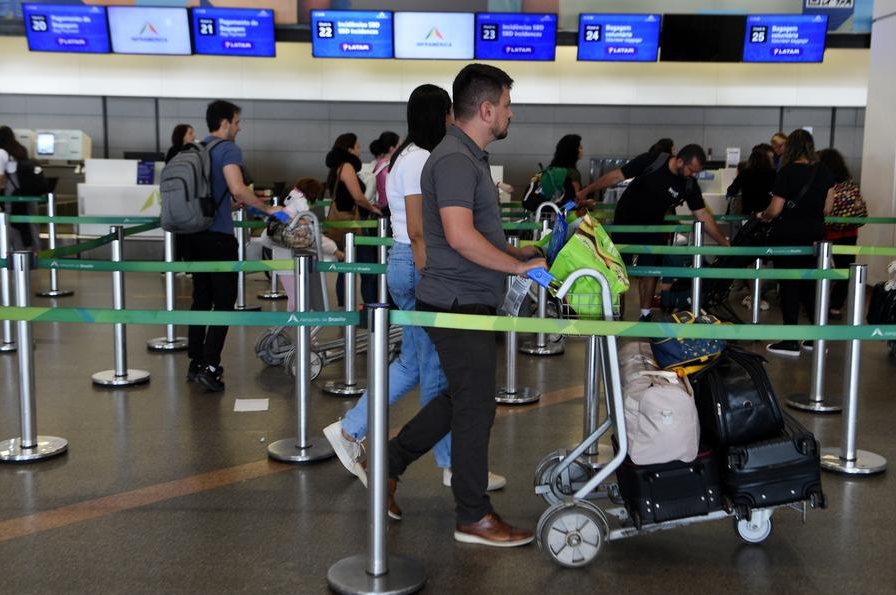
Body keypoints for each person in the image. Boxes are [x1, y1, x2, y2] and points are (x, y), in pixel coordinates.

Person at [385, 64, 545, 547]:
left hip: (466, 295)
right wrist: (516, 269)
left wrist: (517, 252)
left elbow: (473, 231)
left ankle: (390, 463)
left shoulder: (467, 156)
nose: (511, 115)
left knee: (462, 398)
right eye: (508, 105)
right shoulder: (455, 159)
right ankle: (472, 515)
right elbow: (457, 236)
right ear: (487, 108)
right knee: (475, 406)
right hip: (457, 301)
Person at [323, 84, 506, 493]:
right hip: (417, 263)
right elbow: (420, 230)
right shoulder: (423, 157)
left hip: (404, 260)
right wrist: (433, 282)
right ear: (439, 114)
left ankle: (353, 429)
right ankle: (449, 465)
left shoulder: (403, 155)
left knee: (413, 364)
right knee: (435, 371)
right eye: (447, 113)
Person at [183, 100, 281, 392]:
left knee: (201, 299)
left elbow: (218, 192)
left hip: (193, 235)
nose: (239, 127)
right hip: (217, 237)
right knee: (224, 301)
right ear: (224, 123)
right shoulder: (228, 149)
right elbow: (238, 188)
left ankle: (195, 363)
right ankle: (211, 367)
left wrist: (230, 201)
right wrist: (268, 210)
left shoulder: (198, 149)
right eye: (237, 122)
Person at [577, 144, 731, 321]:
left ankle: (645, 314)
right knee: (618, 271)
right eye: (691, 170)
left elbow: (702, 214)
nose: (694, 175)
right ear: (680, 161)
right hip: (625, 223)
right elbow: (616, 176)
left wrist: (722, 241)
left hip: (653, 228)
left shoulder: (689, 184)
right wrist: (585, 192)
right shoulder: (653, 161)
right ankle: (616, 314)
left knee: (649, 272)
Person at [758, 129, 834, 356]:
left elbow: (775, 209)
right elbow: (827, 208)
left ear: (791, 147)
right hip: (815, 235)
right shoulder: (824, 171)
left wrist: (764, 215)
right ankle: (815, 339)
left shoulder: (787, 172)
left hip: (789, 236)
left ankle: (790, 342)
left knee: (790, 286)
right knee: (812, 285)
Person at [261, 177, 342, 311]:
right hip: (288, 262)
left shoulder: (287, 207)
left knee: (296, 300)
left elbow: (266, 238)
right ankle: (280, 330)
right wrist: (335, 250)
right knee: (296, 301)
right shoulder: (300, 216)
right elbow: (315, 237)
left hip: (283, 260)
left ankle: (284, 330)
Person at [324, 133, 382, 307]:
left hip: (341, 223)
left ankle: (345, 306)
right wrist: (372, 208)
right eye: (357, 146)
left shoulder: (335, 167)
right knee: (368, 269)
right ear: (349, 149)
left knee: (345, 267)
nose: (359, 149)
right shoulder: (347, 166)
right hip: (352, 224)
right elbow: (357, 196)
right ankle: (372, 307)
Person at [818, 148, 864, 320]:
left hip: (828, 232)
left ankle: (818, 303)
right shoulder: (850, 183)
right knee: (846, 270)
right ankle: (836, 306)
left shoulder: (824, 182)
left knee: (821, 270)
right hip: (850, 231)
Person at [0, 125, 41, 252]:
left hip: (12, 195)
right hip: (28, 193)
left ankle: (18, 256)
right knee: (31, 224)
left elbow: (0, 180)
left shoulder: (2, 152)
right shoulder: (20, 150)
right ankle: (35, 254)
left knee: (14, 225)